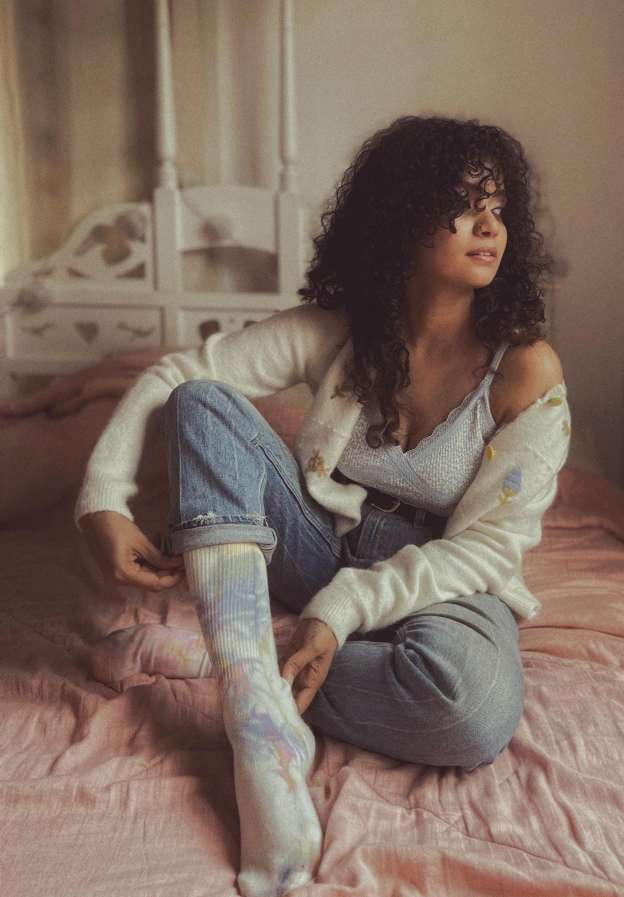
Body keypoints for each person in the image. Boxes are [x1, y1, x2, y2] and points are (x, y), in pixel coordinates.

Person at [71, 116, 571, 897]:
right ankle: (256, 721)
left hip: (447, 574)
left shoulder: (524, 369)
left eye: (499, 208)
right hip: (322, 539)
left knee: (468, 712)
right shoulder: (339, 330)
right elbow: (179, 376)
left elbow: (488, 549)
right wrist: (103, 494)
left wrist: (338, 611)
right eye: (463, 205)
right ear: (400, 216)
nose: (488, 227)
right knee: (203, 401)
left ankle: (214, 659)